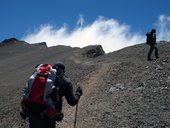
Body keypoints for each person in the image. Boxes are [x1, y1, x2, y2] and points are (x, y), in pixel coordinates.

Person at [20, 61, 83, 128]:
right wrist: (78, 93)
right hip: (48, 116)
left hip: (32, 111)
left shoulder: (42, 76)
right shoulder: (65, 81)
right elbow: (72, 102)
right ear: (63, 71)